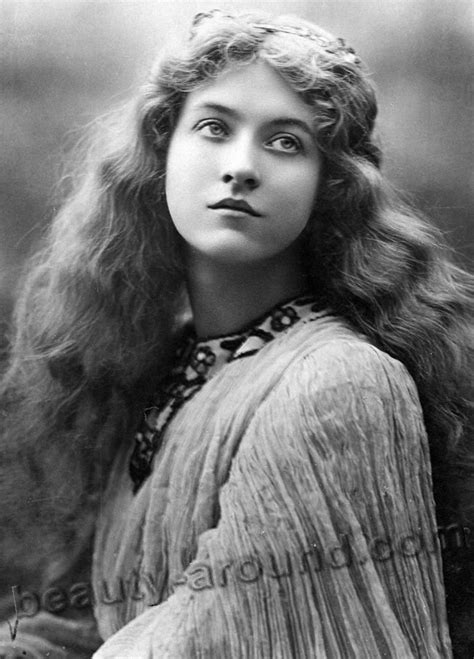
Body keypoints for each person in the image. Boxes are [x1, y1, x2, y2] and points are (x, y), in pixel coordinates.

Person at [0, 9, 473, 658]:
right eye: (215, 127)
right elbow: (106, 621)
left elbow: (216, 632)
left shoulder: (336, 384)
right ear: (161, 153)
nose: (242, 166)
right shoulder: (166, 368)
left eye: (286, 142)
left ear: (329, 187)